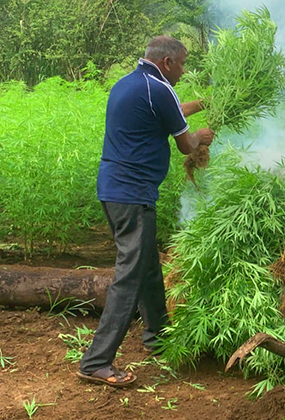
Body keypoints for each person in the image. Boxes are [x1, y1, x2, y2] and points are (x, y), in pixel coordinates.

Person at [77, 36, 215, 387]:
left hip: (114, 189)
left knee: (147, 265)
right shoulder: (160, 88)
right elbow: (185, 142)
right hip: (133, 194)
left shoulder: (130, 83)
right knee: (130, 274)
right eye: (182, 64)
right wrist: (201, 136)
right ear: (167, 62)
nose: (183, 71)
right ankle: (96, 361)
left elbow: (172, 110)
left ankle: (157, 337)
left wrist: (208, 102)